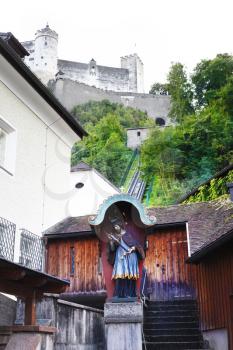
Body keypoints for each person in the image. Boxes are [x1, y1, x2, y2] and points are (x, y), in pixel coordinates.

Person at [107, 219, 145, 298]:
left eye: (116, 226)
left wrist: (133, 249)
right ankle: (119, 295)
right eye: (114, 227)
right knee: (119, 274)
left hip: (130, 256)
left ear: (120, 226)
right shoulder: (114, 237)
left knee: (129, 275)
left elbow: (135, 245)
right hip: (120, 256)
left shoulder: (127, 235)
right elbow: (112, 249)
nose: (115, 228)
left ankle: (130, 294)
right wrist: (111, 241)